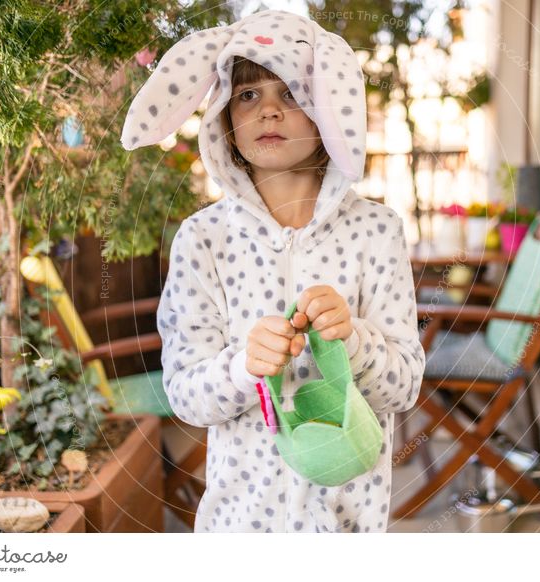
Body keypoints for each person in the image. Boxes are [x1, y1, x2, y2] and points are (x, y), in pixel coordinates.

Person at [122, 9, 425, 533]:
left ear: (327, 109)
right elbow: (186, 394)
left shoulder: (377, 231)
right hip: (240, 528)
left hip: (346, 528)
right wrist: (244, 367)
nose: (268, 110)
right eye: (247, 95)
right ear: (223, 117)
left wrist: (353, 340)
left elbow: (403, 388)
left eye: (290, 93)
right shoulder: (203, 240)